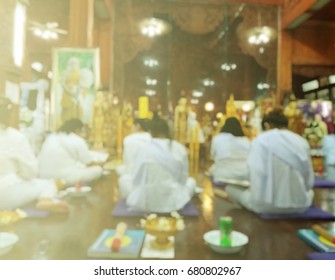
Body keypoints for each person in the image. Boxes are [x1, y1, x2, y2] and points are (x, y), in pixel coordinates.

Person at [226, 109, 314, 214]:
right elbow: (309, 182)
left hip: (265, 206)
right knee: (310, 193)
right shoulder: (301, 141)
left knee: (230, 188)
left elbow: (254, 173)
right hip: (300, 206)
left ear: (267, 125)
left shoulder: (260, 140)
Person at [0, 97, 69, 213]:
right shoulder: (15, 136)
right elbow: (31, 172)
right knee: (48, 184)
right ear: (8, 115)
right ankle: (45, 200)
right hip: (5, 194)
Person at [120, 117, 196, 213]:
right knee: (192, 181)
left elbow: (135, 178)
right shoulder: (179, 148)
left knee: (124, 179)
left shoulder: (143, 148)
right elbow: (183, 180)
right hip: (174, 204)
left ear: (151, 133)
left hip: (145, 204)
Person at [38, 118, 103, 186]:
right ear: (78, 130)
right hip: (63, 178)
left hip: (43, 177)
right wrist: (100, 164)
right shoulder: (77, 140)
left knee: (78, 166)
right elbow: (89, 163)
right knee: (97, 170)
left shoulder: (51, 137)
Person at [210, 117, 250, 182]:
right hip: (244, 175)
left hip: (223, 175)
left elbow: (213, 157)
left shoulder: (218, 138)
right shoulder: (245, 140)